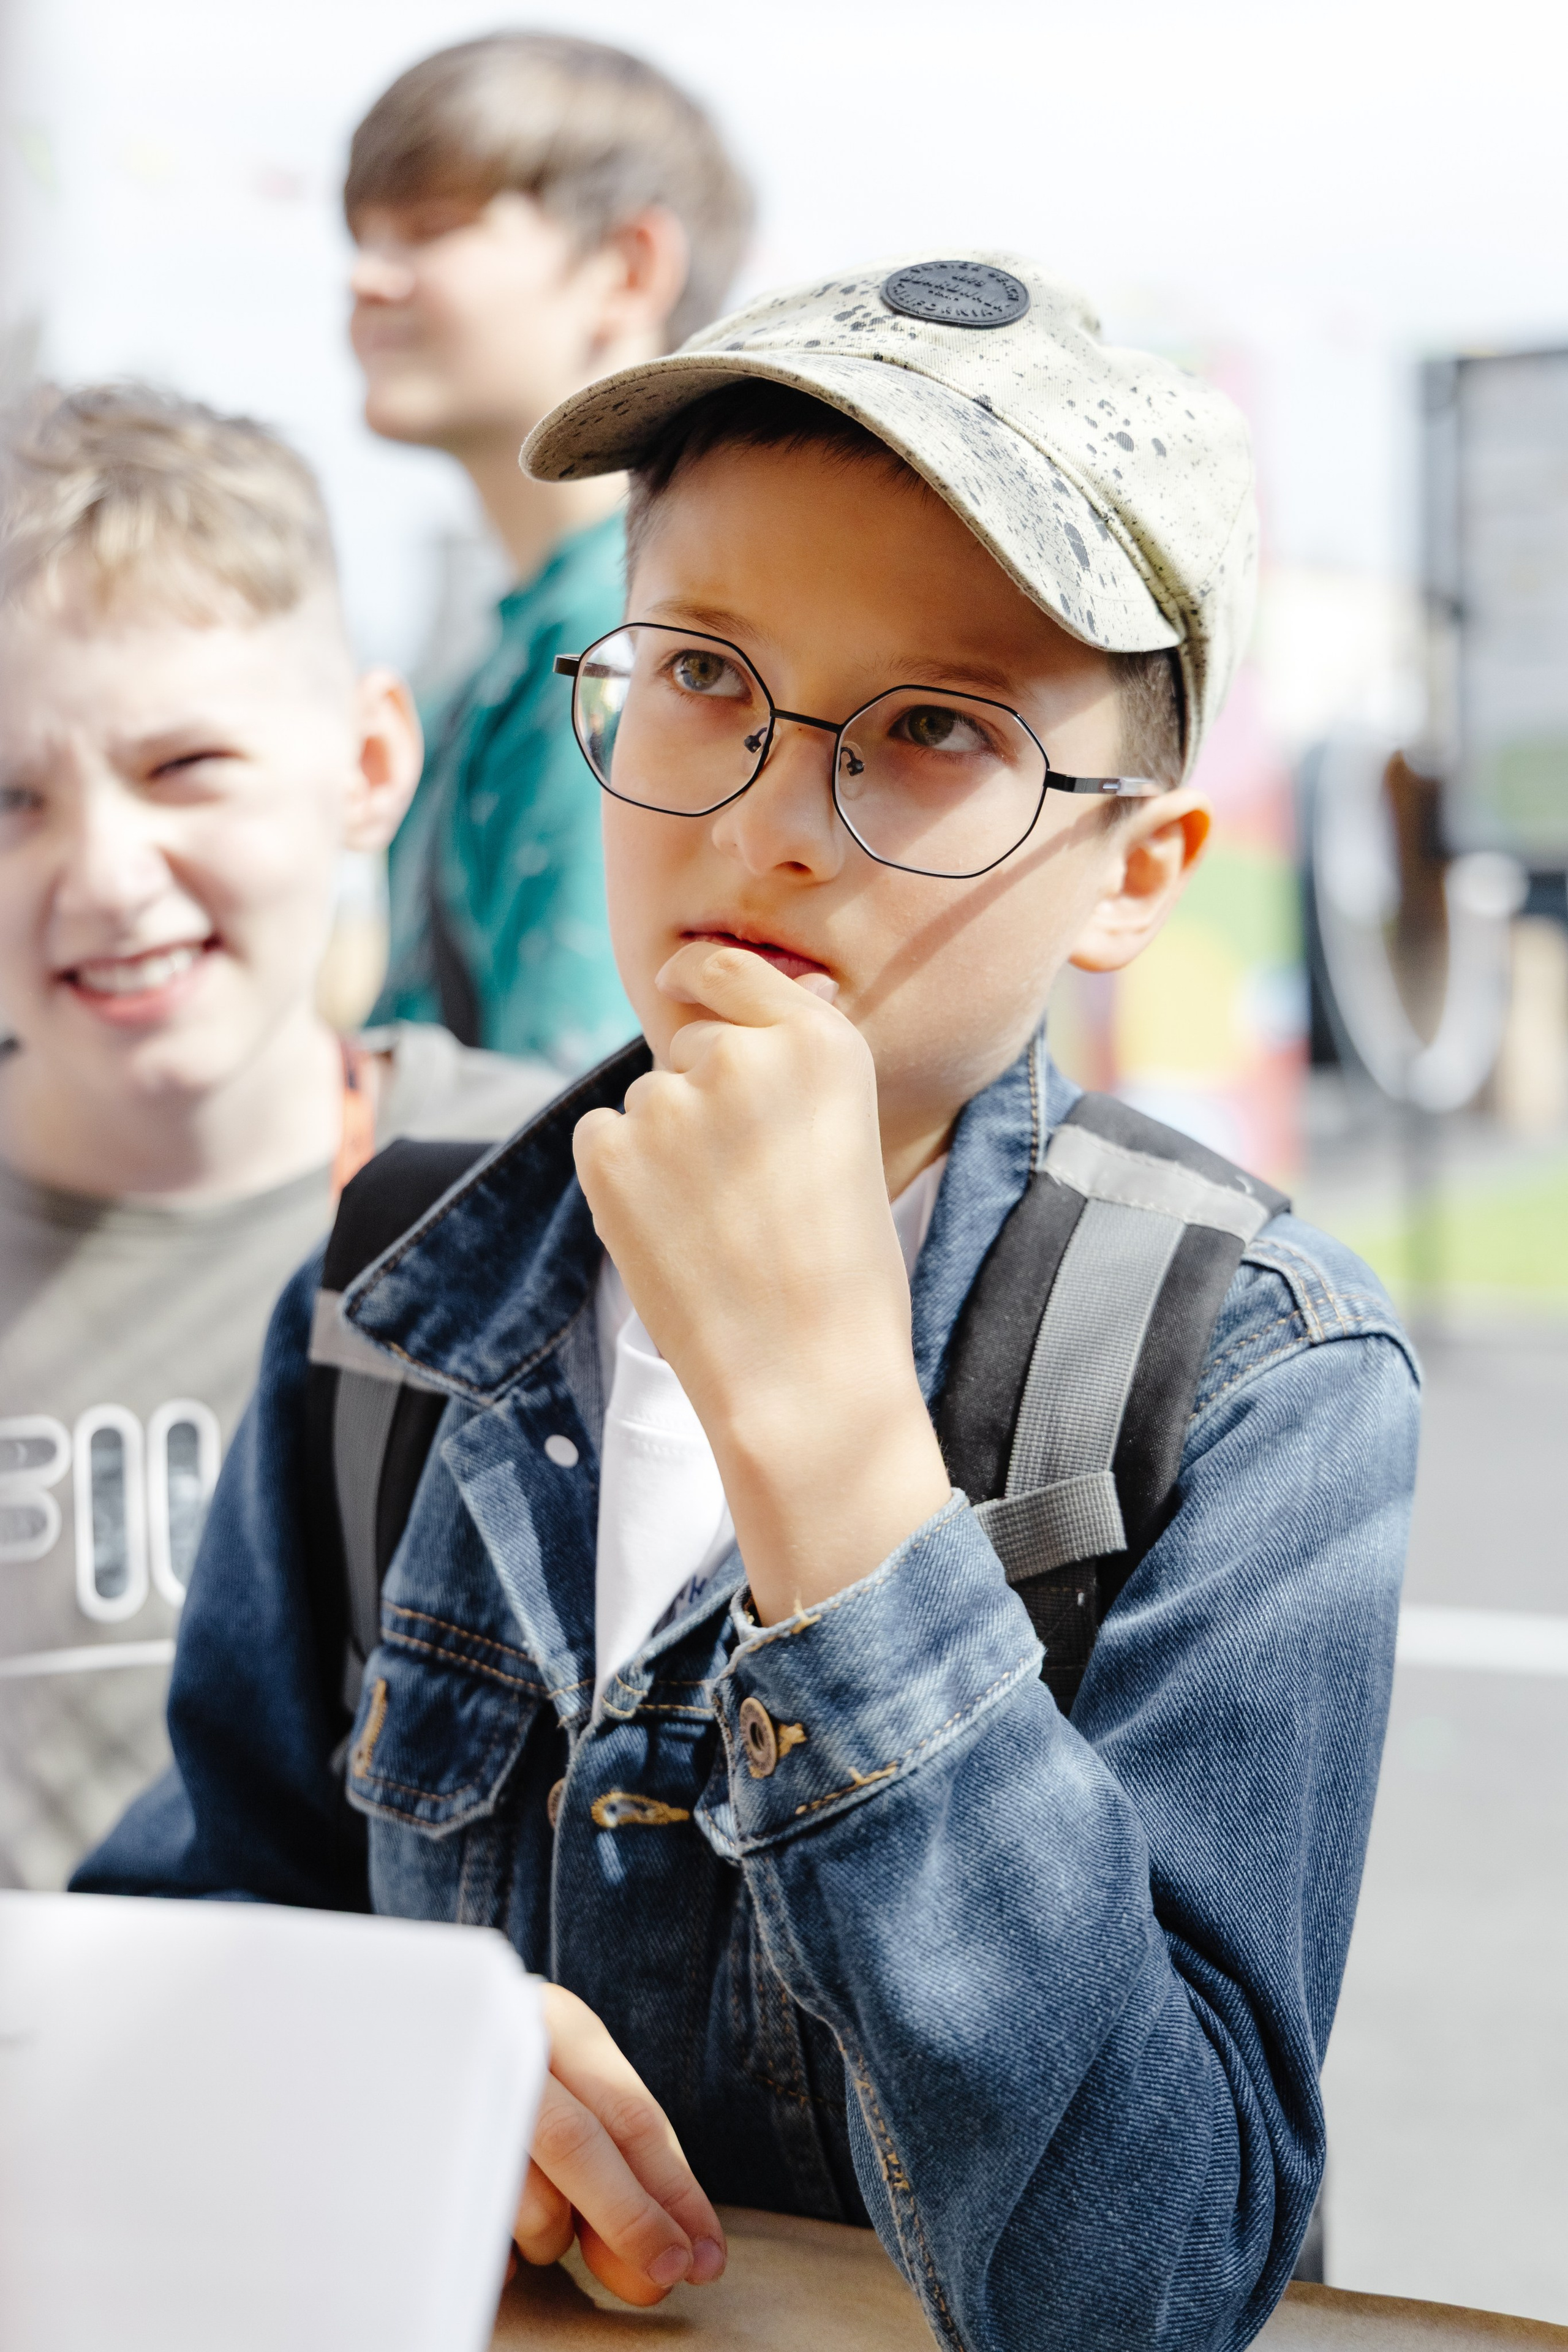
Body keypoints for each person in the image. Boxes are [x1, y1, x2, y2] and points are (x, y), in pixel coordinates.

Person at [79, 259, 1420, 2348]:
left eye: (937, 727)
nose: (771, 820)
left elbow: (1151, 2283)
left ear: (1136, 872)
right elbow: (180, 1957)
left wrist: (835, 1450)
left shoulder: (1241, 1373)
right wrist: (391, 2059)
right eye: (704, 670)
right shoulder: (391, 1292)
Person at [0, 384, 560, 1891]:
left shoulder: (539, 1200)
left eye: (184, 768)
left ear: (368, 766)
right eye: (12, 798)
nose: (107, 875)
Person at [348, 31, 752, 1068]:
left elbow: (566, 1098)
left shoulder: (625, 642)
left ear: (628, 269)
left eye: (430, 229)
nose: (368, 278)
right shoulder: (532, 632)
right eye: (361, 236)